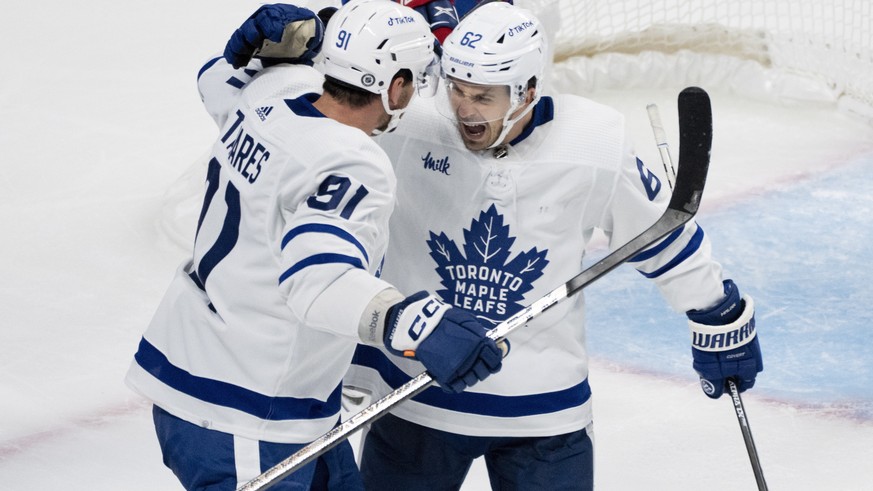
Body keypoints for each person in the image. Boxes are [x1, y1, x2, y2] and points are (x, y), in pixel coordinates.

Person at [216, 1, 764, 489]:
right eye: (455, 89)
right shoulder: (405, 121)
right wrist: (266, 61)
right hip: (415, 399)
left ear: (528, 89)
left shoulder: (595, 140)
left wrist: (719, 314)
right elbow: (315, 112)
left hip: (544, 416)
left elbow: (660, 234)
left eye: (483, 96)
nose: (465, 109)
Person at [124, 1, 504, 489]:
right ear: (394, 86)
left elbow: (213, 78)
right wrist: (405, 321)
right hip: (244, 414)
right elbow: (316, 278)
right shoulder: (352, 162)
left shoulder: (271, 90)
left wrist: (260, 56)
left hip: (221, 379)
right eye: (415, 79)